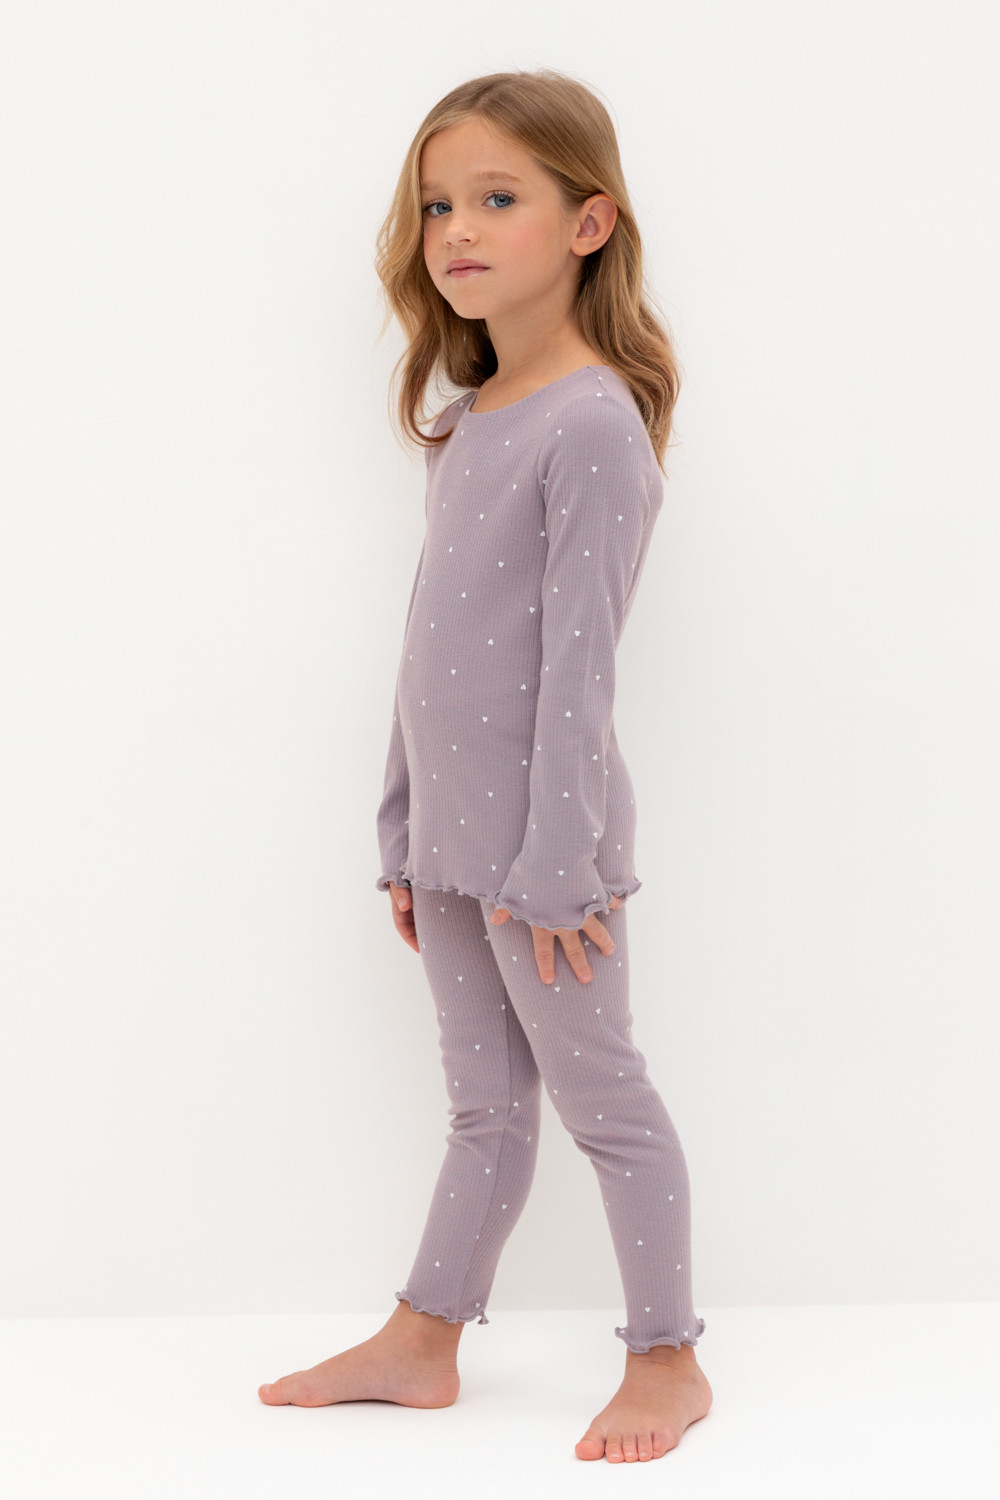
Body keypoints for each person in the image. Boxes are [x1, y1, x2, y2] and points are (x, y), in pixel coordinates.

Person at [258, 67, 712, 1465]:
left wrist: (557, 861)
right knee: (484, 1107)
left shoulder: (593, 423)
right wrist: (402, 827)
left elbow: (580, 671)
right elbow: (429, 645)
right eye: (440, 203)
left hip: (547, 851)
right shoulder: (473, 419)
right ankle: (425, 1337)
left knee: (604, 1101)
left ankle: (669, 1357)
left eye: (498, 197)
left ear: (588, 222)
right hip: (455, 841)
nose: (457, 228)